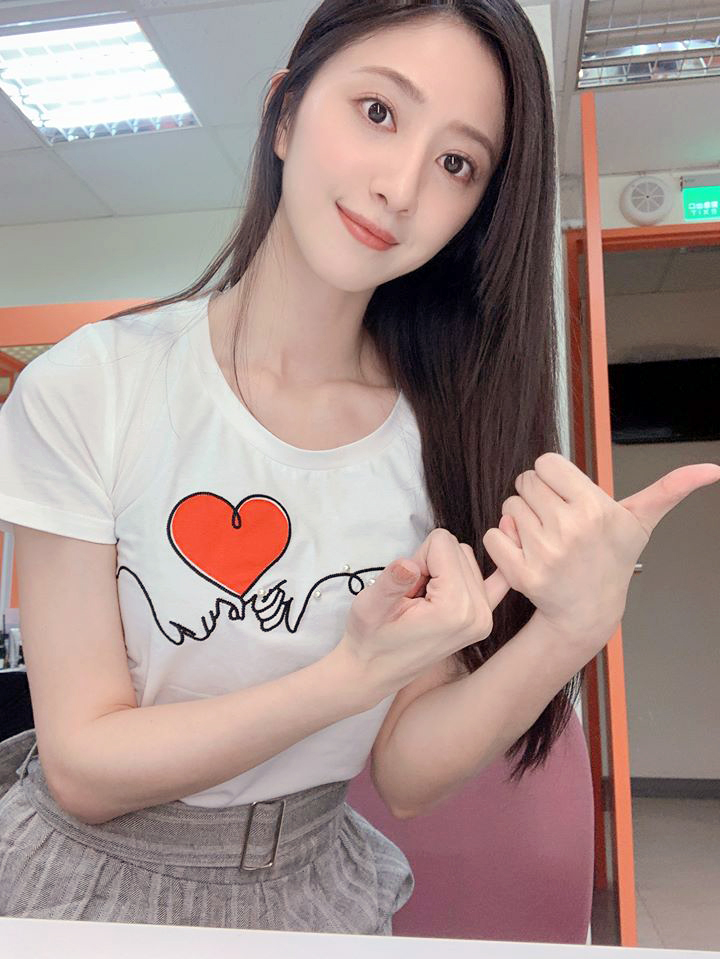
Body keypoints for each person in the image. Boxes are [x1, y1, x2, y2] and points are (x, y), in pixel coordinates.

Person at [2, 0, 718, 937]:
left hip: (315, 886)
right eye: (378, 112)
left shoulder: (441, 433)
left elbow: (408, 774)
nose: (401, 186)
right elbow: (85, 769)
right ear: (284, 115)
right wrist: (345, 676)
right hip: (89, 884)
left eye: (457, 163)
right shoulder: (89, 387)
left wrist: (572, 627)